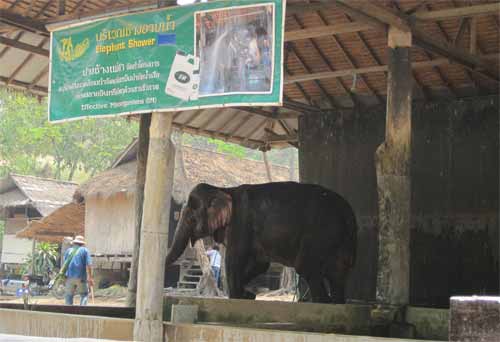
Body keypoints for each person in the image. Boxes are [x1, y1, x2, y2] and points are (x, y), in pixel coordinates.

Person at [63, 235, 93, 306]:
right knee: (84, 295)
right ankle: (82, 313)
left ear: (75, 243)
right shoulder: (85, 250)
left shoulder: (68, 251)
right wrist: (90, 278)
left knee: (68, 296)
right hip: (81, 277)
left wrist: (64, 277)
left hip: (69, 277)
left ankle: (68, 313)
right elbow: (89, 265)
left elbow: (64, 264)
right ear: (82, 243)